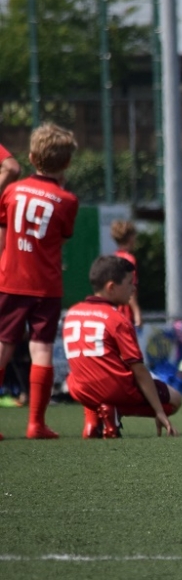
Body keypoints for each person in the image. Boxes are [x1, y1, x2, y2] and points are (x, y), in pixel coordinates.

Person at [0, 123, 79, 440]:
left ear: (32, 157)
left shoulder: (11, 191)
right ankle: (36, 424)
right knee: (42, 348)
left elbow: (5, 231)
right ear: (67, 162)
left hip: (11, 280)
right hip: (46, 285)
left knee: (4, 345)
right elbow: (61, 238)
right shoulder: (67, 200)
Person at [64, 256, 182, 438]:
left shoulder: (72, 312)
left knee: (89, 373)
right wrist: (159, 411)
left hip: (79, 389)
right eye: (129, 283)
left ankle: (93, 422)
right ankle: (114, 410)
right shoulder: (117, 319)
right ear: (111, 287)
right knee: (175, 400)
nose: (133, 289)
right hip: (115, 390)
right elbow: (139, 369)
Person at [110, 219, 142, 328]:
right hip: (125, 313)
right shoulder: (129, 259)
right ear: (130, 237)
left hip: (114, 311)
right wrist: (136, 312)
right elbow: (129, 287)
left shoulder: (113, 257)